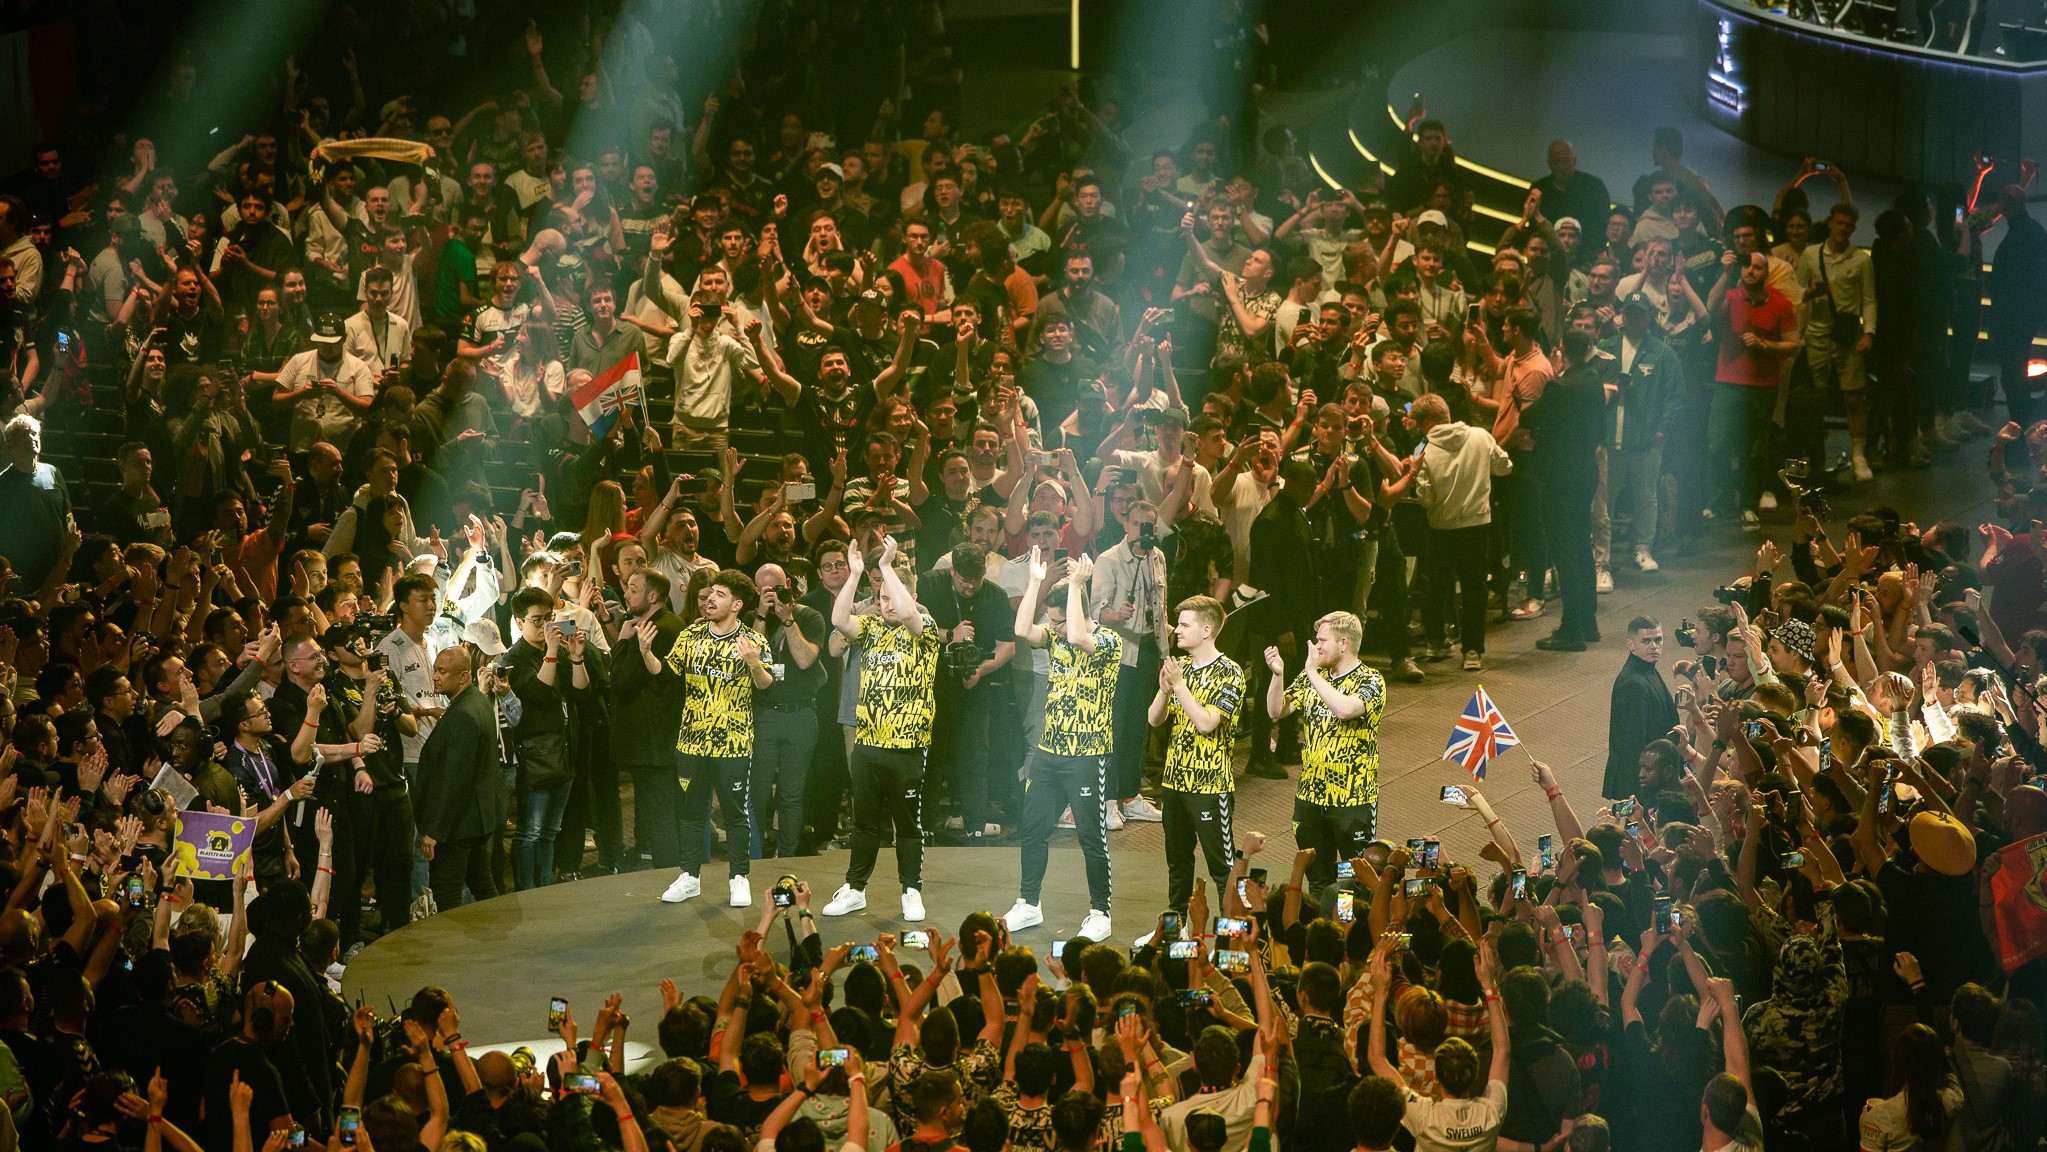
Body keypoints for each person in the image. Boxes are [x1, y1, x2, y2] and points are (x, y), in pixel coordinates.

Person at [1002, 550, 1121, 943]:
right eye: (1050, 621)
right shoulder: (1057, 636)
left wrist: (1076, 584)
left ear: (1077, 612)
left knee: (1091, 836)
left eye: (1057, 619)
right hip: (1050, 751)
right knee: (1033, 829)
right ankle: (1029, 903)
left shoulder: (1107, 642)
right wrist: (1036, 582)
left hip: (1087, 755)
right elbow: (1021, 631)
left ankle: (1100, 911)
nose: (1051, 627)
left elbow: (1077, 635)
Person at [821, 536, 939, 922]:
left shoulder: (925, 628)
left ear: (909, 592)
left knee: (907, 825)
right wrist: (855, 574)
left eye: (895, 596)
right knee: (864, 822)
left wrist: (888, 569)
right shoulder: (871, 628)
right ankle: (855, 889)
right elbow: (839, 622)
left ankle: (911, 890)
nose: (887, 604)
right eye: (882, 597)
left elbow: (908, 615)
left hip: (907, 746)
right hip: (869, 742)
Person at [658, 569, 774, 907]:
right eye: (711, 593)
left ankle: (739, 878)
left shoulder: (754, 641)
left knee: (736, 814)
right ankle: (689, 877)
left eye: (720, 595)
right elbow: (666, 676)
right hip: (691, 741)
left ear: (737, 604)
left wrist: (753, 663)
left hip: (733, 744)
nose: (710, 599)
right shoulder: (690, 635)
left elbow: (767, 684)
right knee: (691, 812)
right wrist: (647, 652)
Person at [1388, 393, 1511, 671]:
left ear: (1427, 422)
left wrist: (1420, 478)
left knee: (1437, 585)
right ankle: (1472, 652)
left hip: (1441, 527)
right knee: (1474, 589)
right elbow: (1504, 466)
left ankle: (1435, 641)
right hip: (1478, 524)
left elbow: (1427, 498)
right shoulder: (1480, 436)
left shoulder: (1423, 450)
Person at [1264, 610, 1384, 894]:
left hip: (1352, 799)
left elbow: (1344, 710)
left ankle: (1353, 936)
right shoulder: (1312, 679)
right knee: (1318, 881)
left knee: (1358, 882)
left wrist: (1311, 673)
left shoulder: (1371, 680)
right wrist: (1278, 676)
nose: (1316, 647)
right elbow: (1275, 710)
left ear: (1343, 644)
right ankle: (1321, 933)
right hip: (1311, 797)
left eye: (1321, 641)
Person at [1148, 594, 1245, 926]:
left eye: (1184, 625)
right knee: (1177, 861)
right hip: (1173, 782)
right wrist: (1164, 690)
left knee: (1222, 866)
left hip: (1210, 785)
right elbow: (1154, 720)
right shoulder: (1182, 668)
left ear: (1206, 630)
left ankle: (1232, 933)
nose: (1176, 630)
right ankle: (1175, 928)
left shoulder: (1230, 673)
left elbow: (1206, 723)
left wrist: (1179, 687)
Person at [1522, 326, 1606, 651]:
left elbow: (1529, 417)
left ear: (1561, 350)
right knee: (1581, 547)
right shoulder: (1594, 379)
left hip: (1559, 477)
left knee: (1564, 550)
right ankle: (1588, 621)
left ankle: (1570, 628)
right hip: (1585, 471)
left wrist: (1556, 373)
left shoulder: (1560, 385)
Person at [414, 646, 503, 914]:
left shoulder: (464, 714)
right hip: (474, 820)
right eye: (435, 670)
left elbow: (455, 781)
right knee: (482, 884)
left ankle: (451, 951)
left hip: (458, 828)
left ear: (463, 676)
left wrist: (435, 831)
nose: (435, 677)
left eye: (442, 671)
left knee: (448, 896)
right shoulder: (476, 702)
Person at [1602, 617, 1676, 799]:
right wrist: (1648, 782)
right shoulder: (1633, 684)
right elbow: (1633, 742)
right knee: (1636, 826)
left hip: (1647, 775)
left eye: (1658, 640)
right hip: (1639, 782)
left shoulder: (1645, 669)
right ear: (1631, 644)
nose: (1654, 646)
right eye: (1646, 641)